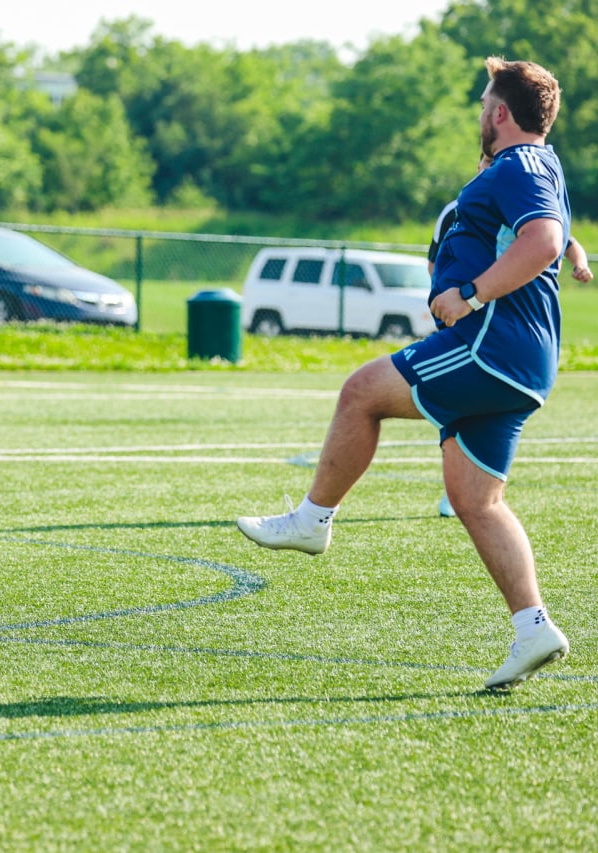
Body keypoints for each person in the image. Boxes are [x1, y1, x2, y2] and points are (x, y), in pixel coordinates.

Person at [237, 57, 572, 690]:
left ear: (500, 113)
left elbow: (545, 241)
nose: (479, 113)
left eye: (483, 103)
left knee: (361, 392)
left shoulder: (521, 165)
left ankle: (312, 520)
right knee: (476, 500)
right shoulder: (537, 166)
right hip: (518, 360)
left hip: (490, 347)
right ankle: (534, 628)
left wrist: (469, 294)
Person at [429, 157, 592, 519]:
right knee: (446, 407)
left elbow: (562, 241)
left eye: (495, 163)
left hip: (501, 324)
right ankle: (463, 491)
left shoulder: (522, 203)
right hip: (460, 318)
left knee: (368, 394)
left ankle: (467, 493)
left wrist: (580, 264)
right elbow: (436, 258)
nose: (491, 169)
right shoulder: (455, 211)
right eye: (486, 163)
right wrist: (446, 290)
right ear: (477, 168)